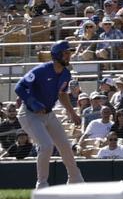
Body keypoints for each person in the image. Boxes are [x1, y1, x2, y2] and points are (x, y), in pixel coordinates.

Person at [14, 40, 84, 189]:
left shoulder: (66, 73)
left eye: (69, 53)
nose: (68, 56)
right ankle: (42, 185)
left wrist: (71, 112)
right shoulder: (41, 70)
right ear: (56, 55)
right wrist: (32, 101)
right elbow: (19, 87)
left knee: (65, 145)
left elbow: (62, 94)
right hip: (29, 113)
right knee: (46, 146)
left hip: (48, 114)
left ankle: (75, 180)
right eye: (65, 53)